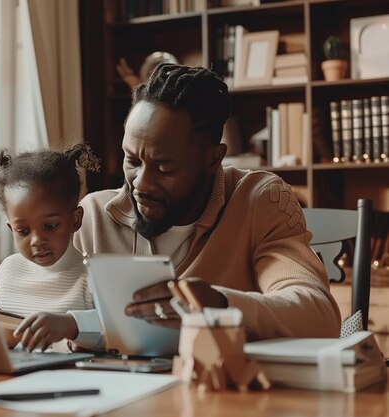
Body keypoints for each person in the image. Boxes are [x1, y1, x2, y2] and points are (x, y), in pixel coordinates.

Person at [72, 63, 341, 342]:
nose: (140, 182)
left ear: (213, 159)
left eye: (164, 168)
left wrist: (219, 305)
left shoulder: (259, 200)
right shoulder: (92, 217)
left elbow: (318, 316)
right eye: (132, 160)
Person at [0, 143, 100, 351]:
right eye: (23, 231)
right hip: (10, 373)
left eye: (50, 226)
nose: (36, 240)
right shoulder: (6, 271)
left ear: (75, 220)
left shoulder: (91, 277)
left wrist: (71, 326)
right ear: (11, 229)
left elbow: (111, 334)